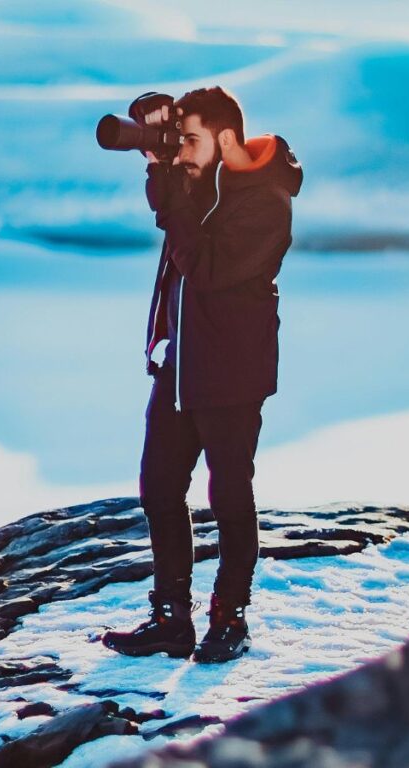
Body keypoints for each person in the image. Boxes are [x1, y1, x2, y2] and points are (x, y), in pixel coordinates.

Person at [101, 86, 302, 663]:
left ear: (227, 139)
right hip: (182, 366)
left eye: (191, 141)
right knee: (160, 488)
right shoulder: (203, 181)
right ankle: (170, 619)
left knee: (229, 495)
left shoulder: (267, 202)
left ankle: (228, 618)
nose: (182, 152)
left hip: (232, 374)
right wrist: (159, 154)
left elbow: (205, 265)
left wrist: (173, 190)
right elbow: (181, 230)